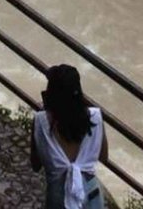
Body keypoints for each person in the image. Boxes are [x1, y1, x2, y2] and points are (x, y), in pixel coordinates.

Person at [29, 64, 107, 209]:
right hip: (91, 192)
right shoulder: (95, 117)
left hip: (58, 196)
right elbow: (103, 156)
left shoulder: (41, 122)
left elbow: (35, 164)